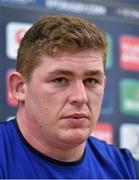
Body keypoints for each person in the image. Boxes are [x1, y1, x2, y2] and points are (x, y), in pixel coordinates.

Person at [0, 15, 138, 179]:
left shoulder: (126, 169)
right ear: (19, 87)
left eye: (91, 81)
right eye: (60, 80)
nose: (80, 97)